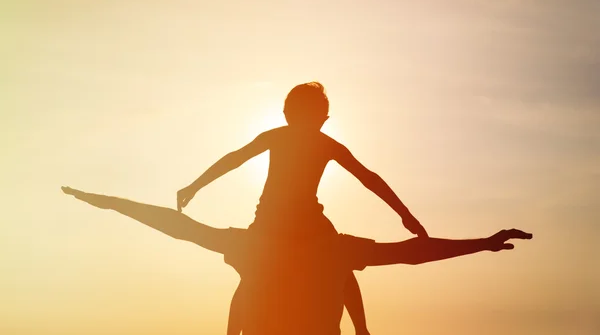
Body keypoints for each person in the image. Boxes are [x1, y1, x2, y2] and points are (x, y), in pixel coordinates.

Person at [62, 187, 532, 335]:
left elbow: (176, 225)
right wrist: (482, 243)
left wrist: (483, 243)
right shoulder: (330, 248)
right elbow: (412, 254)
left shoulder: (259, 244)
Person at [176, 82, 428, 335]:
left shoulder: (280, 137)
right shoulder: (323, 143)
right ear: (323, 119)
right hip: (288, 222)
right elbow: (369, 178)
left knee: (254, 274)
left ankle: (234, 333)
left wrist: (194, 187)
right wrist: (405, 216)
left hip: (278, 220)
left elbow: (235, 159)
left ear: (287, 114)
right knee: (341, 260)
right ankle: (361, 329)